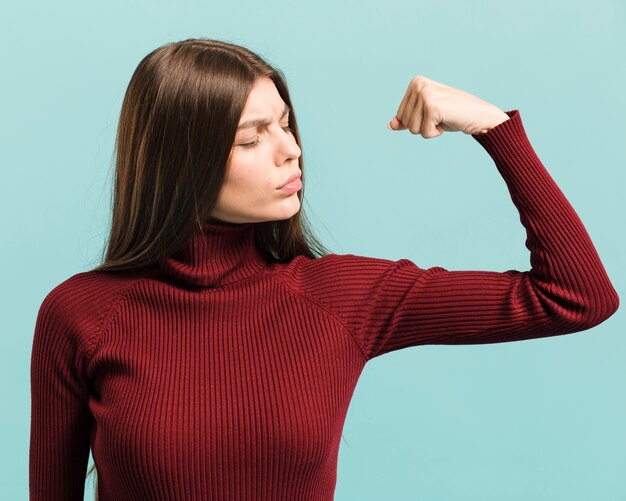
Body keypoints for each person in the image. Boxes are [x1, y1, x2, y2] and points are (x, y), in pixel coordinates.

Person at [29, 37, 619, 501]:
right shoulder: (81, 315)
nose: (290, 149)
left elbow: (576, 296)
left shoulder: (340, 297)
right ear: (180, 161)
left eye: (285, 123)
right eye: (251, 138)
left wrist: (495, 129)